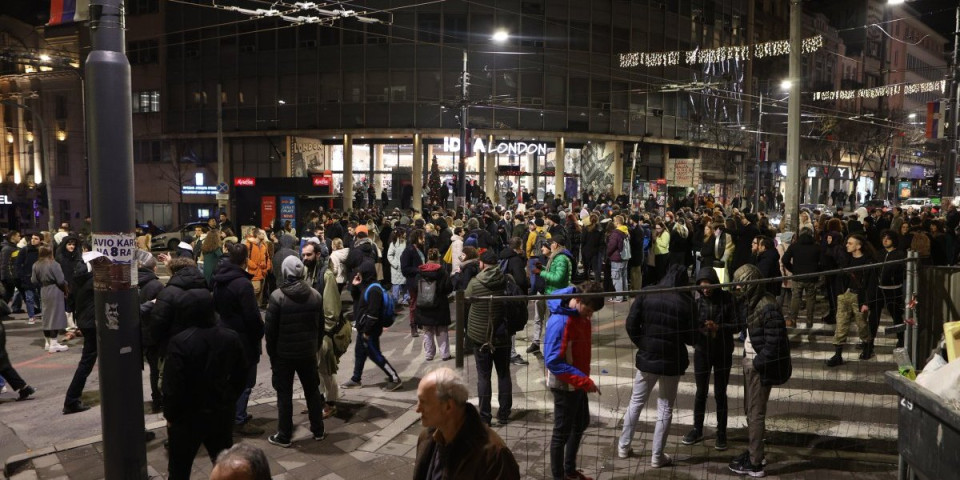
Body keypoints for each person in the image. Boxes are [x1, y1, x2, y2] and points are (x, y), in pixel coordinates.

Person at [163, 282, 247, 480]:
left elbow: (172, 386)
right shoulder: (230, 337)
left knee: (179, 469)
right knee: (224, 467)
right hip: (220, 411)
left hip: (186, 416)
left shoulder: (180, 342)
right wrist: (229, 398)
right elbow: (241, 375)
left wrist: (171, 415)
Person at [617, 265, 694, 467]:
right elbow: (692, 337)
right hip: (672, 360)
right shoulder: (686, 301)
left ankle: (623, 447)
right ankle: (657, 456)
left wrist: (643, 344)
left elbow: (631, 323)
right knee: (665, 407)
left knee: (636, 402)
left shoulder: (647, 292)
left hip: (648, 357)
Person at [727, 264, 792, 477]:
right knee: (750, 410)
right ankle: (755, 452)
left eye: (741, 285)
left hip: (761, 368)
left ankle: (755, 464)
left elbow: (775, 344)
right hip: (753, 362)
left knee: (755, 413)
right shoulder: (751, 302)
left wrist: (755, 364)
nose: (738, 289)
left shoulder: (768, 306)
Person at [412, 367, 521, 480]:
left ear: (448, 406)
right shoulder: (426, 438)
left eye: (423, 402)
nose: (418, 409)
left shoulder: (494, 456)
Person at [544, 281, 605, 480]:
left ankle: (569, 471)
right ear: (577, 300)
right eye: (588, 310)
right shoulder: (561, 321)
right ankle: (560, 476)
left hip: (578, 381)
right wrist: (583, 380)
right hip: (565, 385)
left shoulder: (580, 315)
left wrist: (583, 379)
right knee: (560, 433)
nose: (590, 316)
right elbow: (553, 361)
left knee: (580, 423)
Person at [264, 256, 326, 448]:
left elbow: (270, 333)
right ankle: (318, 429)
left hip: (284, 354)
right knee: (312, 391)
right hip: (307, 353)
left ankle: (284, 435)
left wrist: (273, 356)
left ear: (284, 272)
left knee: (284, 394)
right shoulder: (315, 295)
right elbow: (320, 328)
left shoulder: (277, 297)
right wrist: (313, 348)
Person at [682, 267, 739, 451]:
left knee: (721, 393)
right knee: (701, 392)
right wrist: (701, 328)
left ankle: (721, 432)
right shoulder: (695, 300)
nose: (705, 290)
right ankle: (697, 428)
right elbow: (689, 324)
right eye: (702, 286)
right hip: (702, 351)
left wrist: (718, 327)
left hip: (722, 351)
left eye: (708, 286)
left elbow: (737, 325)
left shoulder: (727, 298)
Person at [212, 243, 266, 437]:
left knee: (230, 378)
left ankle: (231, 415)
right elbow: (252, 316)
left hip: (224, 332)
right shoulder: (242, 284)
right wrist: (260, 332)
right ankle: (239, 419)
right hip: (243, 338)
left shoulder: (218, 279)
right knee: (245, 381)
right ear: (246, 260)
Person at [464, 249, 511, 426]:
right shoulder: (506, 280)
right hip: (502, 333)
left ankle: (485, 416)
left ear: (482, 264)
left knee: (484, 376)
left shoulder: (475, 283)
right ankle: (504, 413)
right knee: (504, 374)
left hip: (480, 335)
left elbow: (466, 298)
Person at [341, 260, 402, 391]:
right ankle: (356, 379)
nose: (358, 275)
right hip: (364, 329)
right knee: (359, 353)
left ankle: (394, 378)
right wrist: (356, 285)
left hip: (370, 330)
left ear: (365, 273)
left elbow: (373, 314)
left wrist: (367, 332)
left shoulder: (374, 290)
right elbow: (361, 300)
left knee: (375, 355)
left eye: (360, 273)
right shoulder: (368, 287)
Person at [826, 233, 877, 366]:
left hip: (859, 297)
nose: (847, 245)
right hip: (845, 295)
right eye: (847, 243)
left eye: (850, 243)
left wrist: (867, 302)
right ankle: (837, 355)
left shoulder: (868, 262)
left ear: (858, 246)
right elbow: (840, 277)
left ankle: (867, 348)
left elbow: (871, 283)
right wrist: (840, 293)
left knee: (862, 325)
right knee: (841, 324)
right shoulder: (846, 260)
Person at [63, 251, 99, 414]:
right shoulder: (94, 281)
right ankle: (71, 399)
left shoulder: (76, 281)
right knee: (86, 363)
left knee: (88, 361)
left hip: (84, 323)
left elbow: (69, 305)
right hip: (94, 324)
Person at [415, 248, 453, 361]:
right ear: (438, 258)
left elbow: (414, 287)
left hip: (424, 305)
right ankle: (445, 354)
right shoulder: (443, 272)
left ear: (427, 258)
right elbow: (448, 288)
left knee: (427, 330)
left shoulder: (420, 271)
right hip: (440, 305)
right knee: (442, 330)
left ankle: (429, 354)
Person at [31, 246, 70, 353]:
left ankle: (47, 343)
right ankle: (54, 343)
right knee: (55, 315)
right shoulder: (54, 264)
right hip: (55, 290)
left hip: (43, 290)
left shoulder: (36, 265)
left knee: (46, 316)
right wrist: (65, 290)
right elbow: (61, 280)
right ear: (50, 253)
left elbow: (34, 281)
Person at [14, 233, 41, 324]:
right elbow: (18, 264)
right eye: (32, 238)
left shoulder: (43, 250)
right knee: (29, 298)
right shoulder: (25, 250)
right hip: (27, 277)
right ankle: (31, 316)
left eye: (36, 238)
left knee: (42, 298)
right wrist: (22, 276)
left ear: (40, 240)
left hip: (41, 278)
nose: (33, 240)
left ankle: (45, 315)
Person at [606, 216, 630, 302]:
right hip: (625, 257)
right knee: (624, 277)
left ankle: (619, 297)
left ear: (617, 222)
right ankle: (625, 296)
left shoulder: (616, 233)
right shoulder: (626, 231)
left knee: (617, 278)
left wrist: (608, 254)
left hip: (617, 258)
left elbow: (611, 246)